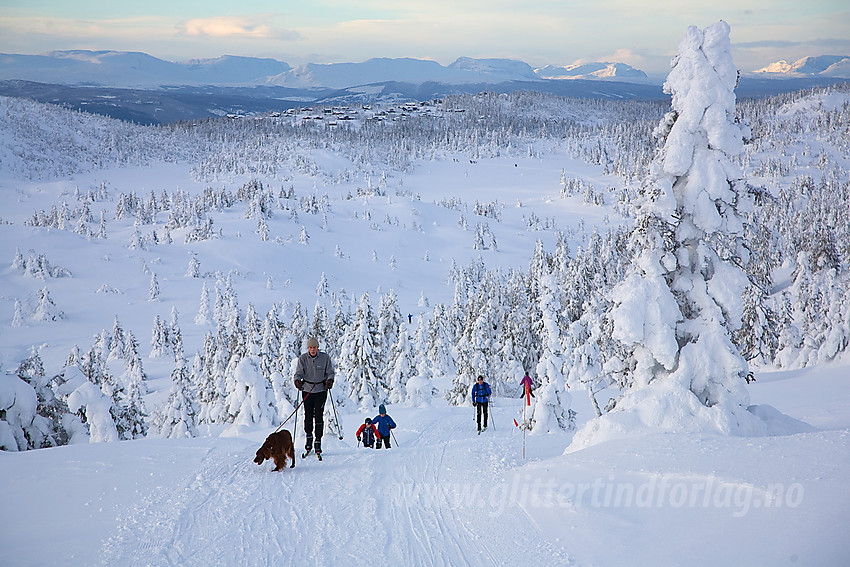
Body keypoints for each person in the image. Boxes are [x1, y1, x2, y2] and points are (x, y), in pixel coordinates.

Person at [293, 336, 335, 457]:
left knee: (319, 415)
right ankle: (308, 439)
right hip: (307, 390)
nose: (312, 349)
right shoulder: (303, 358)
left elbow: (330, 372)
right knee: (308, 415)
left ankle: (318, 441)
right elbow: (298, 373)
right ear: (308, 348)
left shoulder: (325, 358)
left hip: (321, 390)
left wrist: (330, 381)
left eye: (314, 347)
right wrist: (297, 381)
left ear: (318, 348)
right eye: (310, 347)